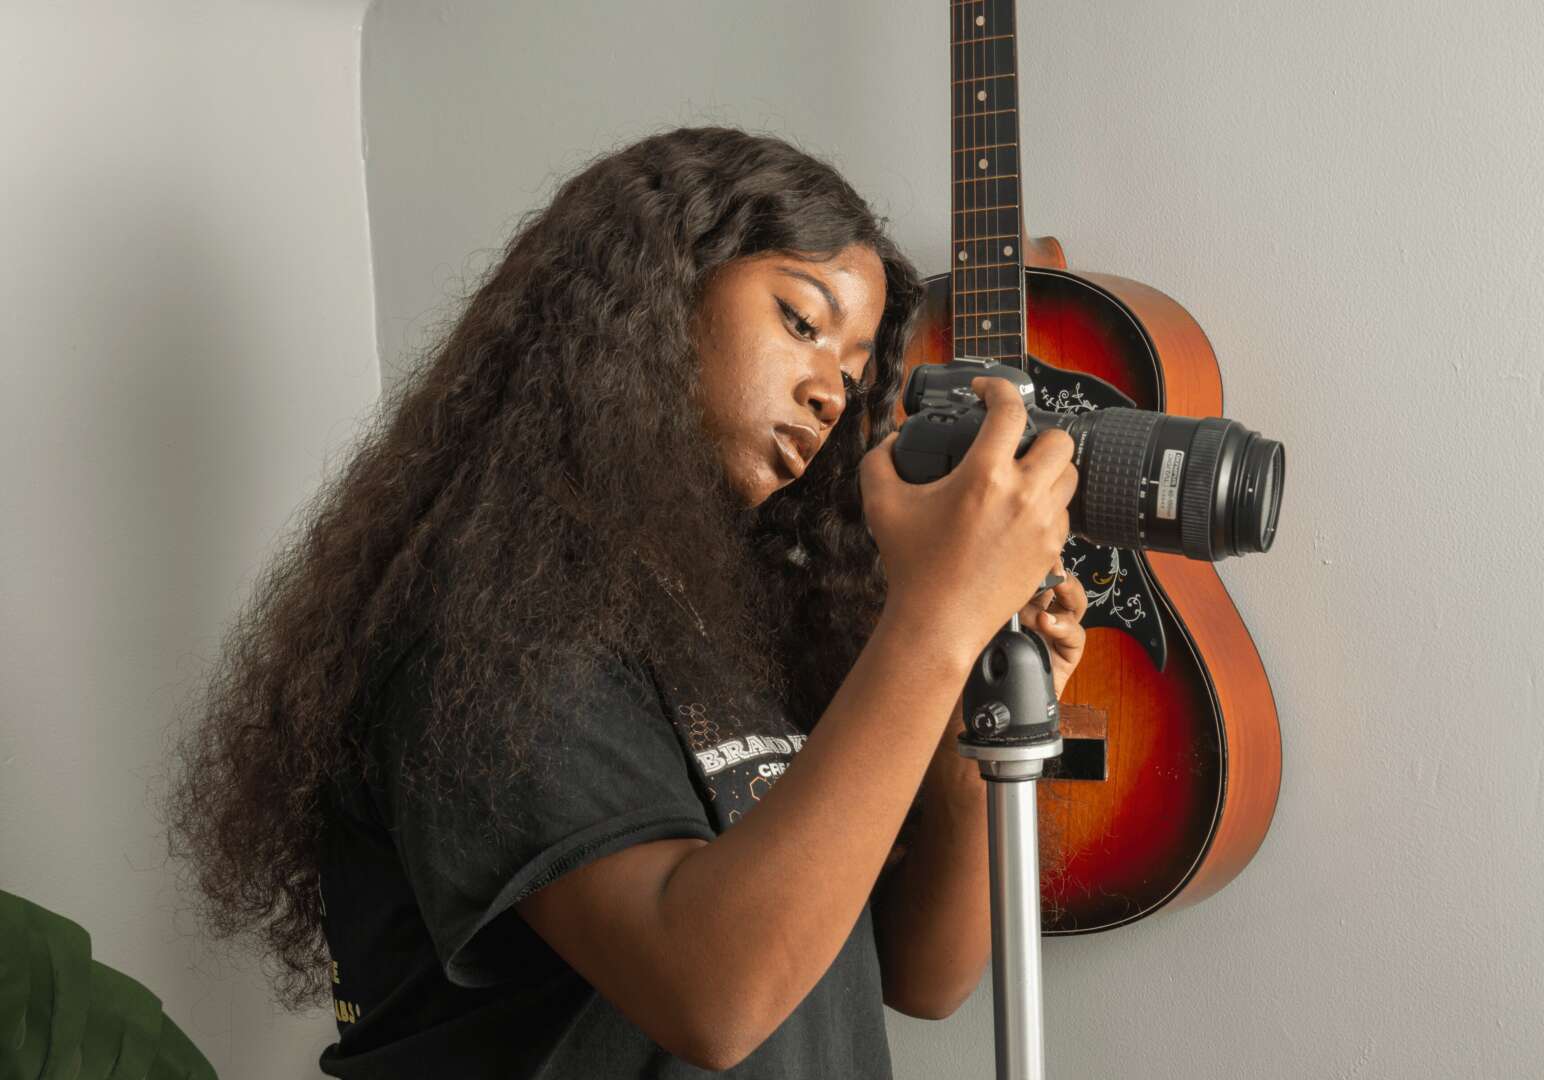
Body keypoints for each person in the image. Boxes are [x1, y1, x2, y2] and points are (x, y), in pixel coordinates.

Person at [164, 125, 1087, 1078]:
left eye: (853, 378)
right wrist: (934, 622)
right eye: (801, 322)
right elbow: (713, 995)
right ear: (659, 296)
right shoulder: (484, 625)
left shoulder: (748, 614)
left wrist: (967, 689)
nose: (830, 396)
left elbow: (923, 974)